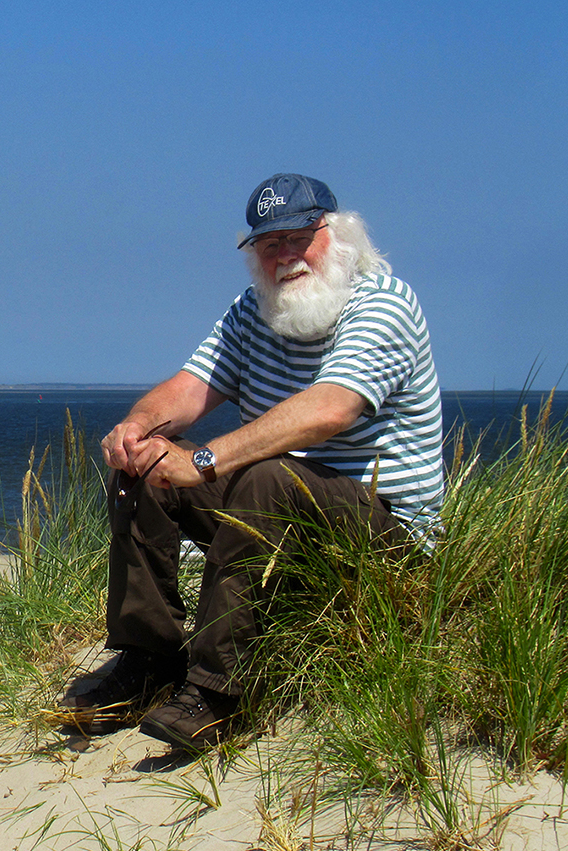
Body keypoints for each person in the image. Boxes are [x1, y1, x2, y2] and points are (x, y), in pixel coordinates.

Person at [65, 173, 445, 753]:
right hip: (283, 518)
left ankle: (217, 692)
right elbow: (188, 390)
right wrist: (136, 429)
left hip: (386, 536)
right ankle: (148, 657)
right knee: (147, 466)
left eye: (300, 237)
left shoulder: (384, 301)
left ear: (339, 235)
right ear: (254, 255)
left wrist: (206, 458)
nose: (287, 256)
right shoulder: (253, 311)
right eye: (271, 245)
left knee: (267, 476)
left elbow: (330, 409)